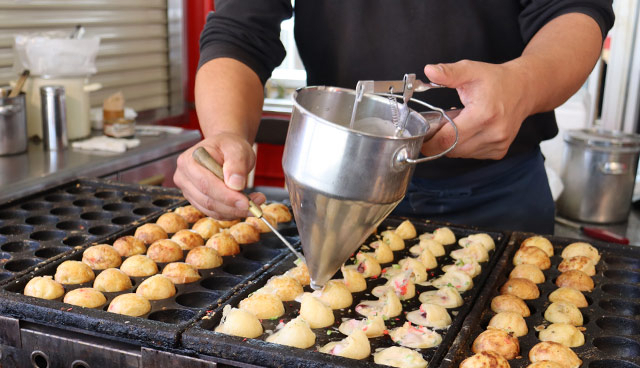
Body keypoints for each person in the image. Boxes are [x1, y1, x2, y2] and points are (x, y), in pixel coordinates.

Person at [174, 0, 615, 234]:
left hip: (498, 191)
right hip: (338, 186)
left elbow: (573, 11)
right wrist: (226, 134)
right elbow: (239, 31)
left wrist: (523, 84)